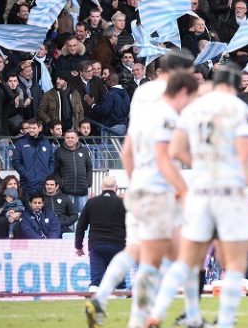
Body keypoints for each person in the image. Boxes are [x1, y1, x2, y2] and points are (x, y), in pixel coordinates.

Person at [145, 64, 248, 328]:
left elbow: (175, 150)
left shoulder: (194, 109)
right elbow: (247, 155)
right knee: (234, 262)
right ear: (235, 85)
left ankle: (157, 312)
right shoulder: (240, 110)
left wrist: (200, 163)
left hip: (199, 191)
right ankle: (224, 321)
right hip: (228, 191)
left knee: (188, 260)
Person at [85, 50, 195, 328]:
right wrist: (182, 188)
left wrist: (135, 182)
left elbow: (127, 150)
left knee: (141, 249)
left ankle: (104, 296)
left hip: (139, 183)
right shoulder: (169, 108)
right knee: (170, 256)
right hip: (160, 186)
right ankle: (152, 317)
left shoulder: (143, 98)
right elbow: (165, 153)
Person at [75, 176, 126, 290]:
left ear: (102, 187)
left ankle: (92, 307)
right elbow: (131, 224)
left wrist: (78, 246)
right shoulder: (122, 203)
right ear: (116, 188)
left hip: (97, 246)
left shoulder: (91, 202)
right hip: (117, 245)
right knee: (119, 281)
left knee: (96, 281)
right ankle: (122, 306)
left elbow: (81, 226)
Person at [12, 118, 56, 197]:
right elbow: (16, 161)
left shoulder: (46, 142)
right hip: (27, 183)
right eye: (29, 128)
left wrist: (48, 173)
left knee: (43, 207)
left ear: (40, 128)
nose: (31, 130)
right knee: (28, 207)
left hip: (43, 183)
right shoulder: (21, 143)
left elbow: (52, 160)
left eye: (34, 128)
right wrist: (25, 173)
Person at [54, 129, 94, 212]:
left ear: (77, 139)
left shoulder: (84, 151)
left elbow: (89, 167)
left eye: (72, 137)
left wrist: (88, 182)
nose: (70, 139)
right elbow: (55, 170)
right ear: (64, 139)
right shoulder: (59, 151)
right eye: (67, 137)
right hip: (66, 190)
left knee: (83, 214)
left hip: (82, 189)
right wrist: (61, 183)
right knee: (67, 213)